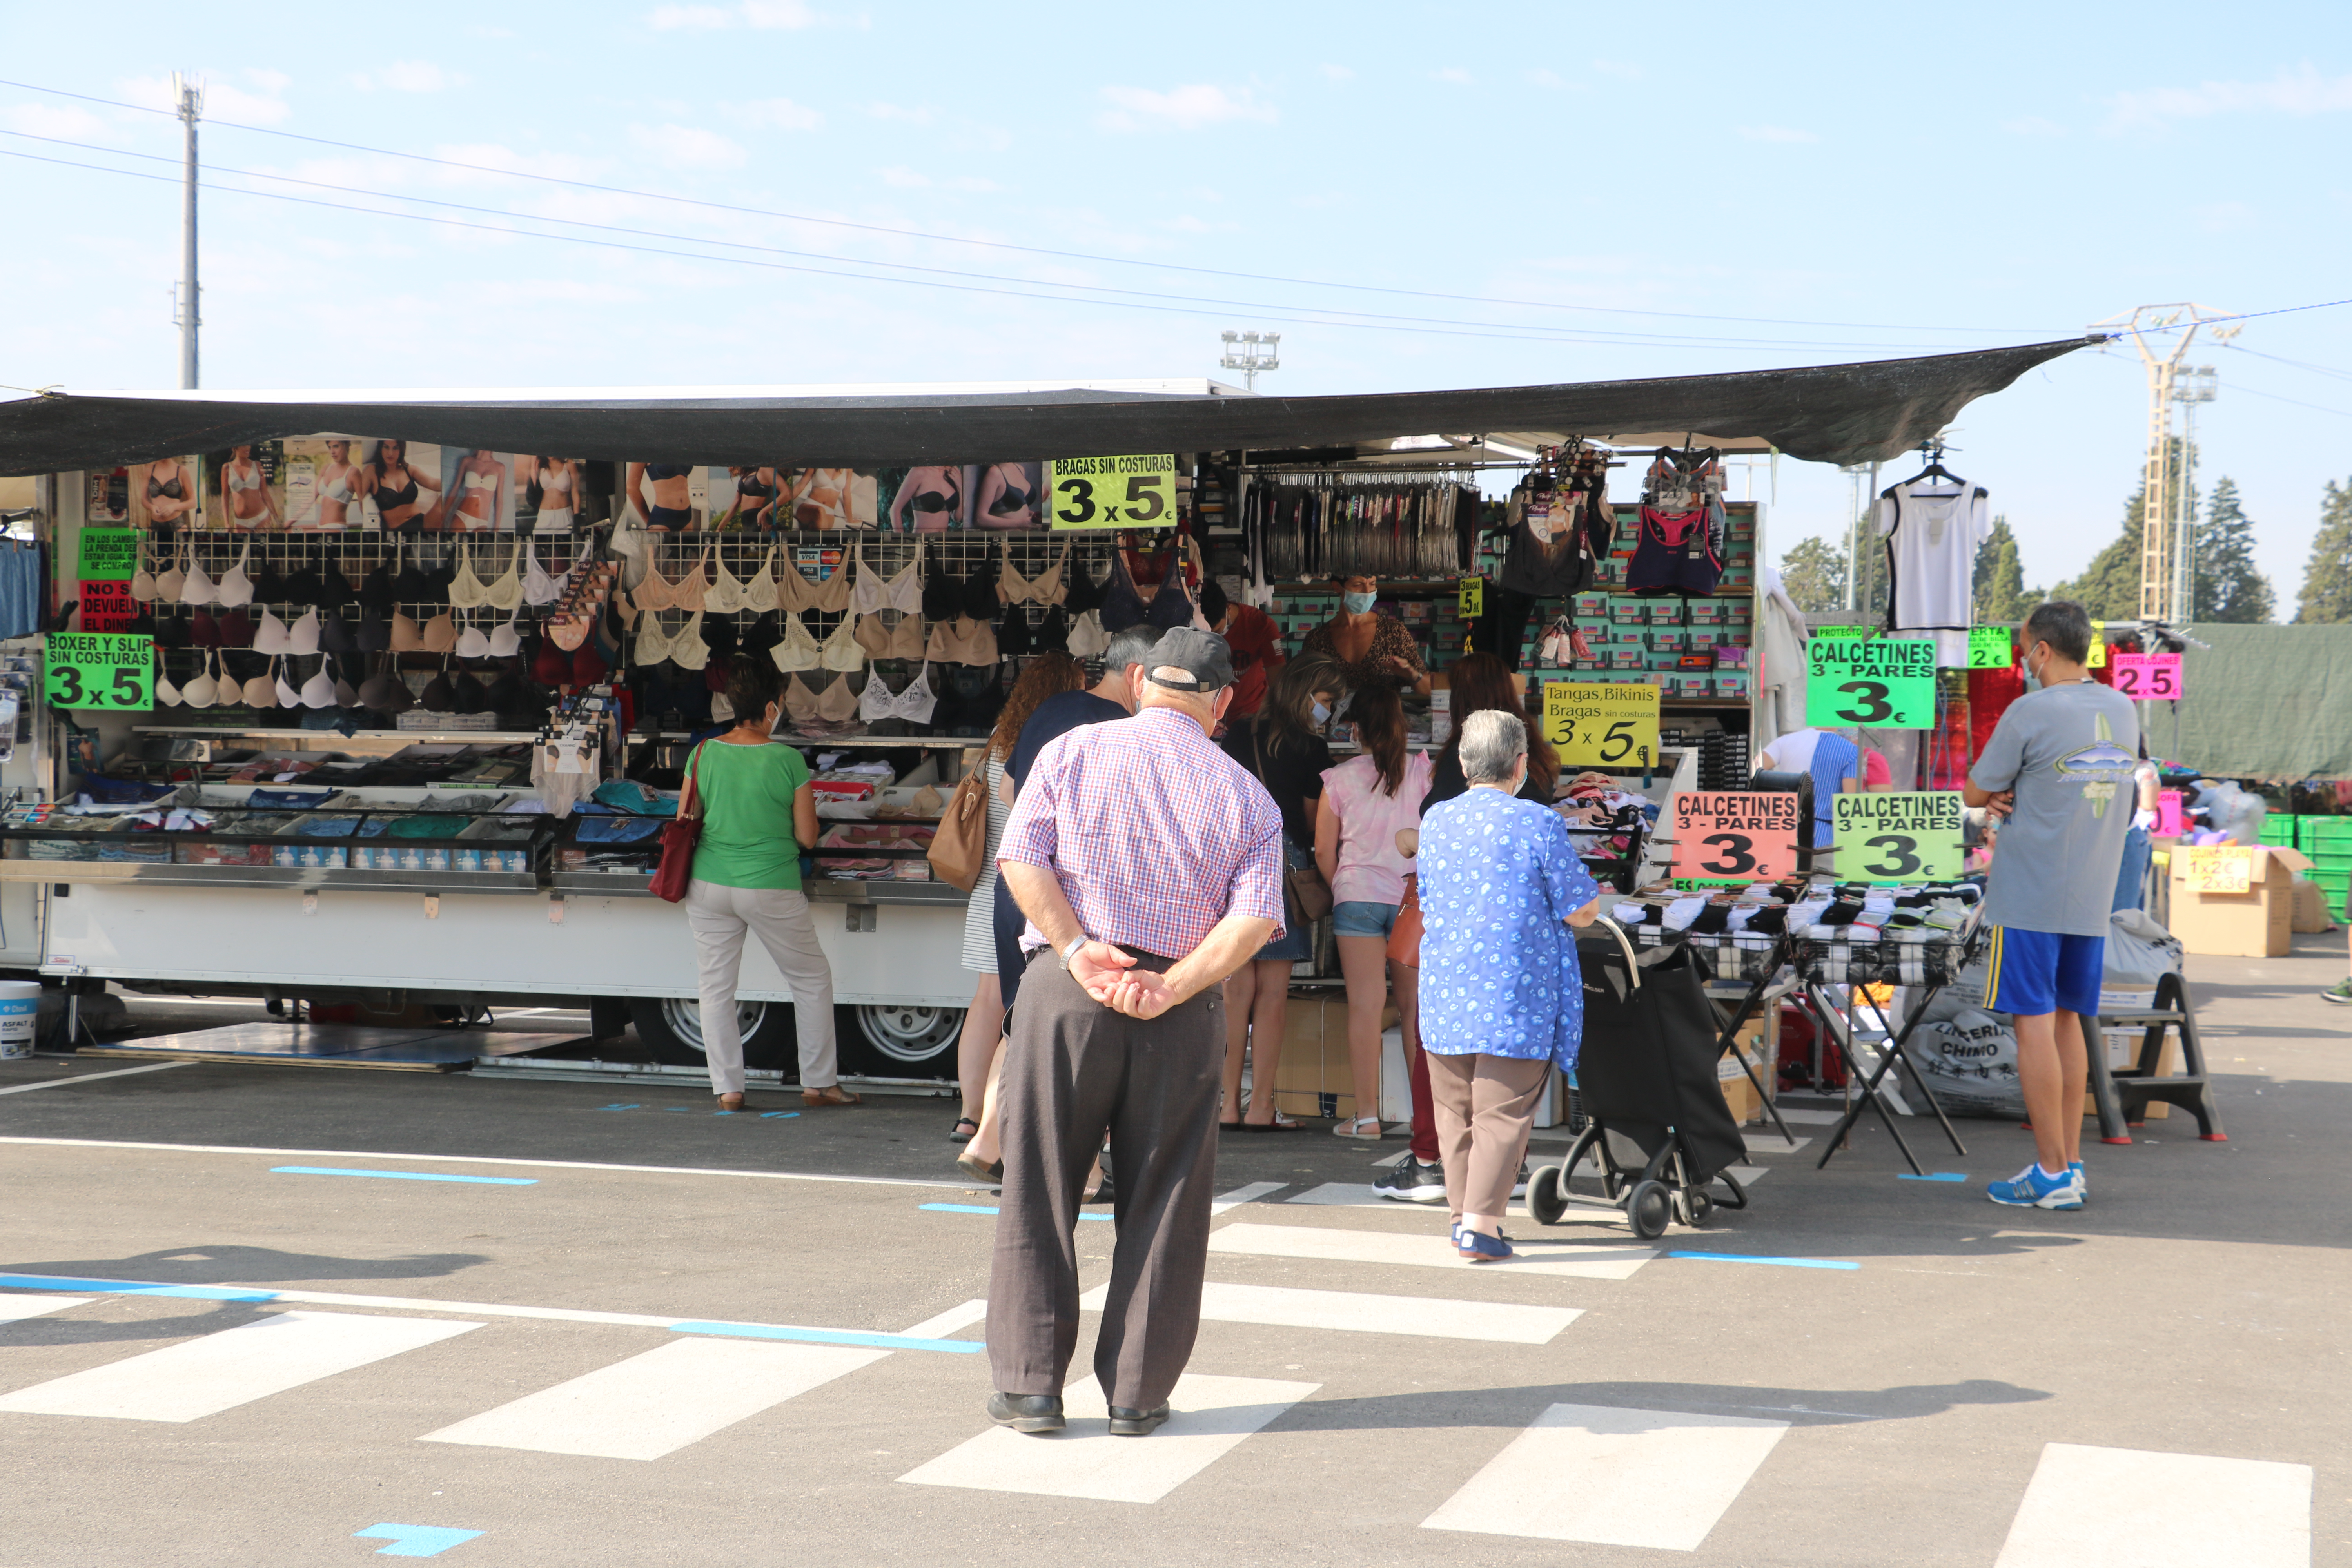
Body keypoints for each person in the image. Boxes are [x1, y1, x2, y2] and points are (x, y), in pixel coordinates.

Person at [985, 627, 1284, 1438]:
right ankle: (1136, 1392)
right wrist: (1177, 983)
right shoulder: (1248, 795)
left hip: (1070, 984)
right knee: (1167, 1197)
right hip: (1180, 1009)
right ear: (1221, 702)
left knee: (1040, 1183)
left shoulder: (1073, 750)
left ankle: (1030, 1386)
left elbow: (1021, 860)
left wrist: (1080, 950)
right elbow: (1256, 918)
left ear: (1143, 679)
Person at [960, 623, 1160, 1185]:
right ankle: (1086, 1171)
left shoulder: (1051, 710)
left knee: (1025, 1016)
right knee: (1080, 1024)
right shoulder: (1124, 730)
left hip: (1016, 881)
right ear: (1139, 676)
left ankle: (988, 1132)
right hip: (1069, 896)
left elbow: (1010, 793)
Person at [1964, 600, 2139, 1211]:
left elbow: (1976, 790)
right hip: (2092, 894)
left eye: (2023, 645)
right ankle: (2070, 1165)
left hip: (2031, 891)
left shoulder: (2029, 710)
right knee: (2069, 1022)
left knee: (2032, 1024)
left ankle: (2049, 1170)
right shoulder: (2122, 706)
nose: (2021, 656)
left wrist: (2007, 794)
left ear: (2041, 649)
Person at [1414, 708, 1602, 1261]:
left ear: (1465, 762)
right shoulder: (1536, 822)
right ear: (1520, 765)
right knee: (1502, 1111)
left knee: (1456, 1114)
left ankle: (1463, 1218)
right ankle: (1480, 1226)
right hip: (1514, 989)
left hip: (1446, 984)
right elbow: (1581, 909)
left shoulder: (1436, 820)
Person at [1377, 652, 1559, 1201]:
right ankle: (1506, 1164)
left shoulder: (1464, 759)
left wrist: (1412, 839)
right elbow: (1577, 902)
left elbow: (1433, 838)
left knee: (1440, 1048)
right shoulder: (1535, 758)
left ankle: (1433, 1163)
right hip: (1524, 936)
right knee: (1511, 1053)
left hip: (1456, 932)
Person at [678, 659, 853, 1112]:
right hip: (770, 885)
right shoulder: (787, 760)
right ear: (771, 707)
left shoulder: (703, 754)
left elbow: (686, 818)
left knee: (715, 986)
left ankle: (729, 1089)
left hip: (709, 883)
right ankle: (818, 1083)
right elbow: (807, 836)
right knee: (811, 979)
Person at [953, 653, 1085, 1145]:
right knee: (1020, 1010)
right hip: (1031, 892)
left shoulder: (997, 742)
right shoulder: (1059, 744)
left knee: (986, 1001)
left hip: (988, 887)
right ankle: (998, 1123)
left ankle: (970, 1116)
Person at [1218, 654, 1343, 1130]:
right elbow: (1314, 825)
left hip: (1232, 864)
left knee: (1234, 989)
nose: (1328, 710)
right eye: (1326, 700)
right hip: (1285, 867)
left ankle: (1227, 1104)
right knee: (1273, 993)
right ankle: (1261, 1107)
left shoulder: (1237, 732)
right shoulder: (1311, 748)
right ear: (1305, 694)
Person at [1315, 682, 1433, 1139]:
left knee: (1365, 1007)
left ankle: (1366, 1119)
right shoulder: (1422, 773)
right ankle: (1426, 1118)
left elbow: (1325, 848)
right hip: (1411, 900)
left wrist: (1342, 886)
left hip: (1358, 898)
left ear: (1358, 730)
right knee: (1414, 1008)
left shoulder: (1338, 778)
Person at [1302, 573, 1429, 695]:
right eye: (1358, 585)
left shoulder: (1394, 631)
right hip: (1335, 717)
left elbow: (1427, 690)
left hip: (1384, 716)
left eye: (1372, 584)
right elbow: (1306, 691)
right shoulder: (1317, 639)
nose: (1368, 592)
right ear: (1337, 587)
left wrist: (1413, 675)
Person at [1756, 724, 1861, 849]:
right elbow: (1849, 803)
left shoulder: (1786, 741)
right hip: (1826, 838)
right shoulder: (1851, 751)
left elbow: (1753, 770)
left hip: (1784, 832)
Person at [1197, 579, 1284, 718]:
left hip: (1249, 715)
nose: (1213, 637)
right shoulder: (1189, 625)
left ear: (1228, 608)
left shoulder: (1262, 626)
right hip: (1204, 714)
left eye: (1217, 631)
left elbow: (1279, 680)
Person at [370, 440, 443, 533]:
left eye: (396, 448)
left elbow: (432, 483)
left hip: (423, 523)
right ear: (380, 449)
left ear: (401, 450)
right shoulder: (372, 471)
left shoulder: (409, 469)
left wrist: (451, 484)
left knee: (449, 495)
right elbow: (360, 494)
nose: (390, 453)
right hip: (400, 531)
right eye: (386, 447)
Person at [218, 445, 283, 531]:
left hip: (262, 518)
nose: (248, 448)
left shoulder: (257, 465)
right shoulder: (227, 468)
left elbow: (265, 493)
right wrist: (227, 524)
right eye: (244, 445)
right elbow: (225, 496)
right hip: (241, 522)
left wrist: (276, 518)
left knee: (265, 545)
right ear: (235, 447)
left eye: (249, 445)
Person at [629, 462, 694, 533]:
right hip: (662, 517)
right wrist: (648, 520)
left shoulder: (681, 451)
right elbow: (631, 489)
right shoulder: (645, 451)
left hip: (687, 516)